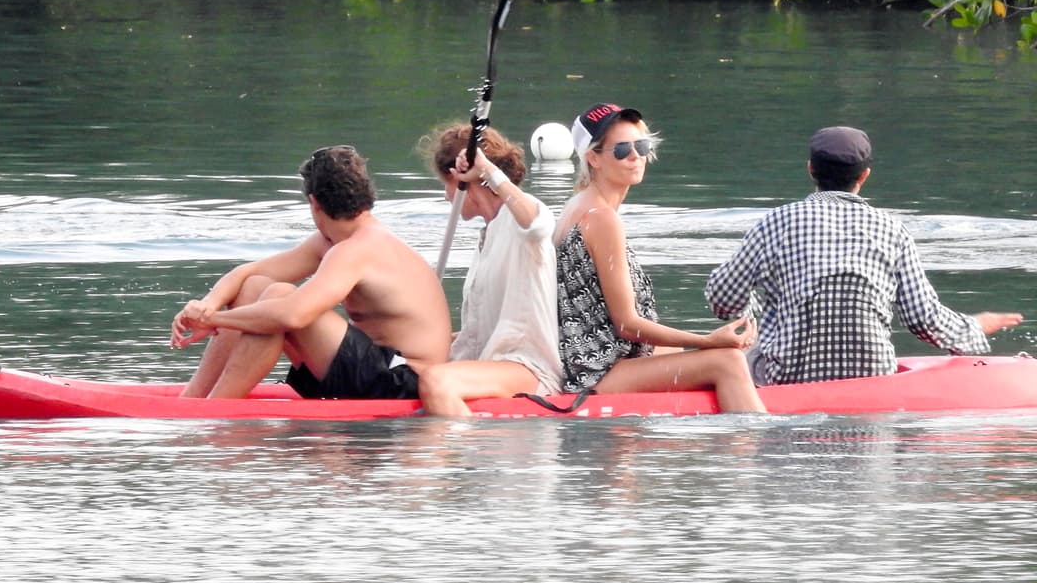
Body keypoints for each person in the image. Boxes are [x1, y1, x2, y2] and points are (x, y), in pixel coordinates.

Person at [705, 125, 1023, 385]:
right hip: (873, 377)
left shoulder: (776, 222)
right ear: (864, 175)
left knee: (740, 354)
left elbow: (723, 299)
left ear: (811, 169)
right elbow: (923, 320)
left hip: (786, 378)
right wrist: (973, 327)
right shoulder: (893, 230)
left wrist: (753, 308)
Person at [170, 145, 452, 400]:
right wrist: (206, 305)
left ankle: (217, 408)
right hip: (374, 366)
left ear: (314, 203)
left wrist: (215, 319)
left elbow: (293, 315)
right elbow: (249, 272)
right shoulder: (333, 242)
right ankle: (193, 399)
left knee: (280, 298)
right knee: (257, 285)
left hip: (404, 380)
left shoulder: (358, 248)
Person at [554, 103, 767, 413]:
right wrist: (708, 342)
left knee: (674, 347)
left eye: (641, 146)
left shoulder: (579, 204)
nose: (635, 156)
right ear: (593, 157)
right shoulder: (602, 218)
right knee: (728, 360)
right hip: (595, 372)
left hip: (590, 358)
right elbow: (627, 325)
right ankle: (759, 448)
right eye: (622, 149)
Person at [416, 125, 564, 418]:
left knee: (435, 381)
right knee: (408, 365)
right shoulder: (487, 236)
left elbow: (540, 225)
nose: (447, 197)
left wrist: (485, 170)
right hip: (492, 363)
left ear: (459, 180)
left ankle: (460, 455)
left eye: (445, 185)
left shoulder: (520, 218)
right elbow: (478, 333)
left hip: (528, 369)